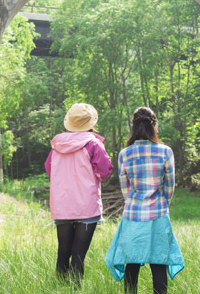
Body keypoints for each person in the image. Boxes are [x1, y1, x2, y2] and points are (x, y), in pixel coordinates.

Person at [105, 107, 184, 294]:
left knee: (131, 262)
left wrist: (134, 202)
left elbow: (126, 190)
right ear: (154, 125)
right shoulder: (165, 152)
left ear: (133, 126)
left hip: (133, 214)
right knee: (158, 263)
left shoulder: (125, 154)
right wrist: (163, 204)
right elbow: (169, 186)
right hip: (158, 213)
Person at [44, 103, 113, 283]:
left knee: (63, 252)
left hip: (62, 205)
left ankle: (60, 288)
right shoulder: (93, 144)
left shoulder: (57, 145)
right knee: (78, 256)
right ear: (91, 122)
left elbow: (49, 170)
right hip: (86, 206)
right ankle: (75, 289)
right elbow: (104, 172)